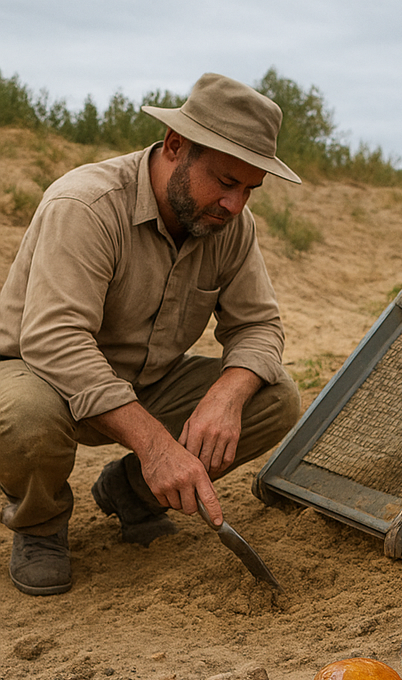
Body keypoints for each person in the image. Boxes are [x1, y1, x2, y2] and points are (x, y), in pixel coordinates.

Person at [0, 72, 303, 596]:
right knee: (26, 417)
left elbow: (259, 325)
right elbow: (57, 341)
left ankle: (131, 492)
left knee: (274, 398)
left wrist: (227, 397)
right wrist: (156, 445)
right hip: (42, 377)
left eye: (250, 189)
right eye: (226, 181)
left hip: (147, 383)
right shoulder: (86, 205)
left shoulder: (230, 225)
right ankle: (40, 526)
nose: (235, 205)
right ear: (175, 145)